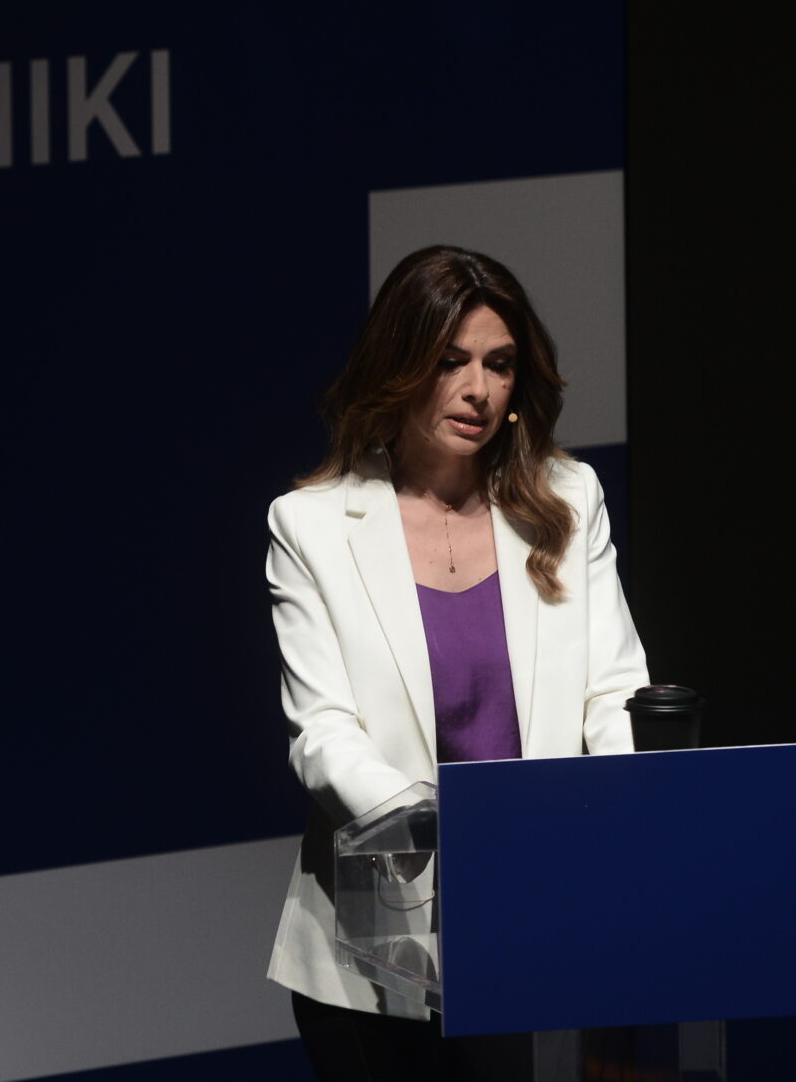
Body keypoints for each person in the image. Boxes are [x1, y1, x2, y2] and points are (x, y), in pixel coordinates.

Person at [265, 245, 650, 1082]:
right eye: (451, 361)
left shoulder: (568, 498)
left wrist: (619, 821)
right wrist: (456, 826)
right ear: (400, 365)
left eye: (499, 364)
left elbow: (615, 691)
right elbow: (322, 734)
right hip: (375, 935)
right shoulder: (312, 524)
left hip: (538, 909)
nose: (479, 388)